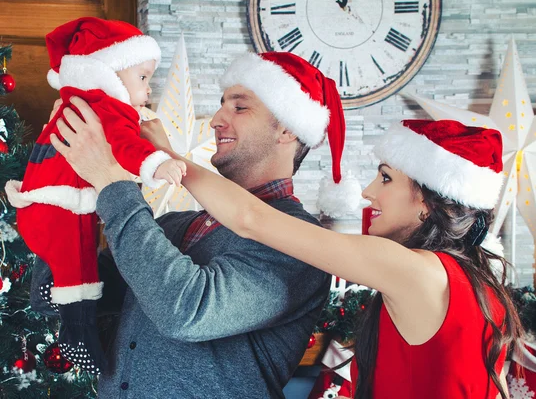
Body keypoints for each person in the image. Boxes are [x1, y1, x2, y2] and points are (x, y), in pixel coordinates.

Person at [51, 95, 523, 397]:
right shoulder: (476, 287)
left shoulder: (416, 271)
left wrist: (155, 162)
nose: (367, 193)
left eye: (385, 179)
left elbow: (253, 220)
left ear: (427, 202)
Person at [31, 52, 362, 397]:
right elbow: (56, 295)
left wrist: (112, 183)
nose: (216, 120)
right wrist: (66, 182)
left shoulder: (301, 246)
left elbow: (186, 311)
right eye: (222, 105)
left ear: (287, 129)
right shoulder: (172, 226)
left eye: (239, 107)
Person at [5, 17, 185, 373]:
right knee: (80, 275)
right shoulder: (108, 108)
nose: (149, 90)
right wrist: (157, 162)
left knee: (56, 257)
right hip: (65, 209)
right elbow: (125, 145)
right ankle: (79, 338)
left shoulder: (72, 102)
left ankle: (47, 293)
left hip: (38, 205)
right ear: (109, 72)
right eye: (143, 78)